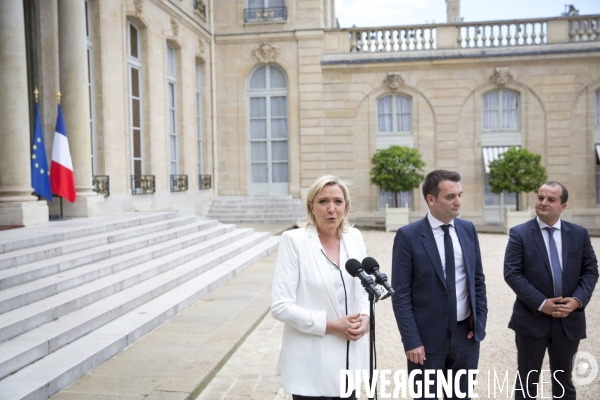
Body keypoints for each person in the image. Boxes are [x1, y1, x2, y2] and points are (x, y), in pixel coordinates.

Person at [271, 175, 370, 399]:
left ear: (346, 205)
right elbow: (280, 306)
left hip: (349, 363)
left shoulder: (354, 237)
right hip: (311, 366)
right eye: (323, 201)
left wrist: (365, 317)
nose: (331, 209)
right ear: (311, 206)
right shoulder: (294, 240)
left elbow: (364, 289)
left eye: (338, 201)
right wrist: (332, 326)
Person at [391, 170, 487, 399]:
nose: (458, 202)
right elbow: (400, 294)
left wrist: (480, 321)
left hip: (466, 337)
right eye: (451, 196)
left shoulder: (467, 230)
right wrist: (411, 340)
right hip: (425, 342)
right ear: (431, 199)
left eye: (460, 195)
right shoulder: (408, 236)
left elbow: (478, 280)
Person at [504, 181, 598, 400]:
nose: (543, 203)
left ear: (563, 206)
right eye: (540, 197)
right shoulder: (520, 233)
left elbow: (591, 271)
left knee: (564, 383)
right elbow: (512, 273)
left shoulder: (578, 234)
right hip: (531, 320)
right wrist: (541, 303)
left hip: (569, 322)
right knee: (527, 384)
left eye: (551, 199)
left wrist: (577, 300)